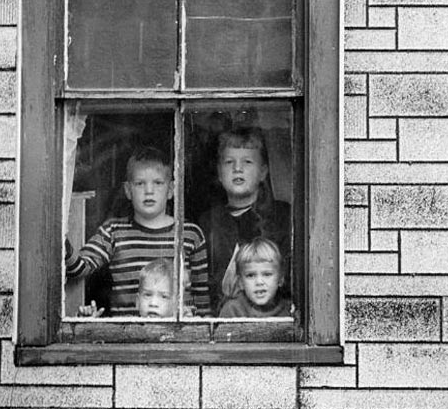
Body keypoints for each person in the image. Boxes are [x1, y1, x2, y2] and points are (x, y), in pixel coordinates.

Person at [65, 146, 210, 316]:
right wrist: (63, 244)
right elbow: (79, 269)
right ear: (128, 190)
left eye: (158, 183)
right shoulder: (113, 231)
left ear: (171, 190)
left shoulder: (190, 234)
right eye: (140, 183)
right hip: (127, 337)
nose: (149, 191)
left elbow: (202, 303)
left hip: (177, 338)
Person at [198, 126, 290, 313]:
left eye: (247, 162)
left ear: (263, 171)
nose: (237, 168)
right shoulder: (208, 222)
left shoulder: (281, 217)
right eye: (229, 162)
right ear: (219, 172)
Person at [220, 237, 291, 317]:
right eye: (251, 275)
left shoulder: (290, 311)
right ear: (240, 282)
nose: (259, 282)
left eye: (267, 274)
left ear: (280, 279)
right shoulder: (232, 311)